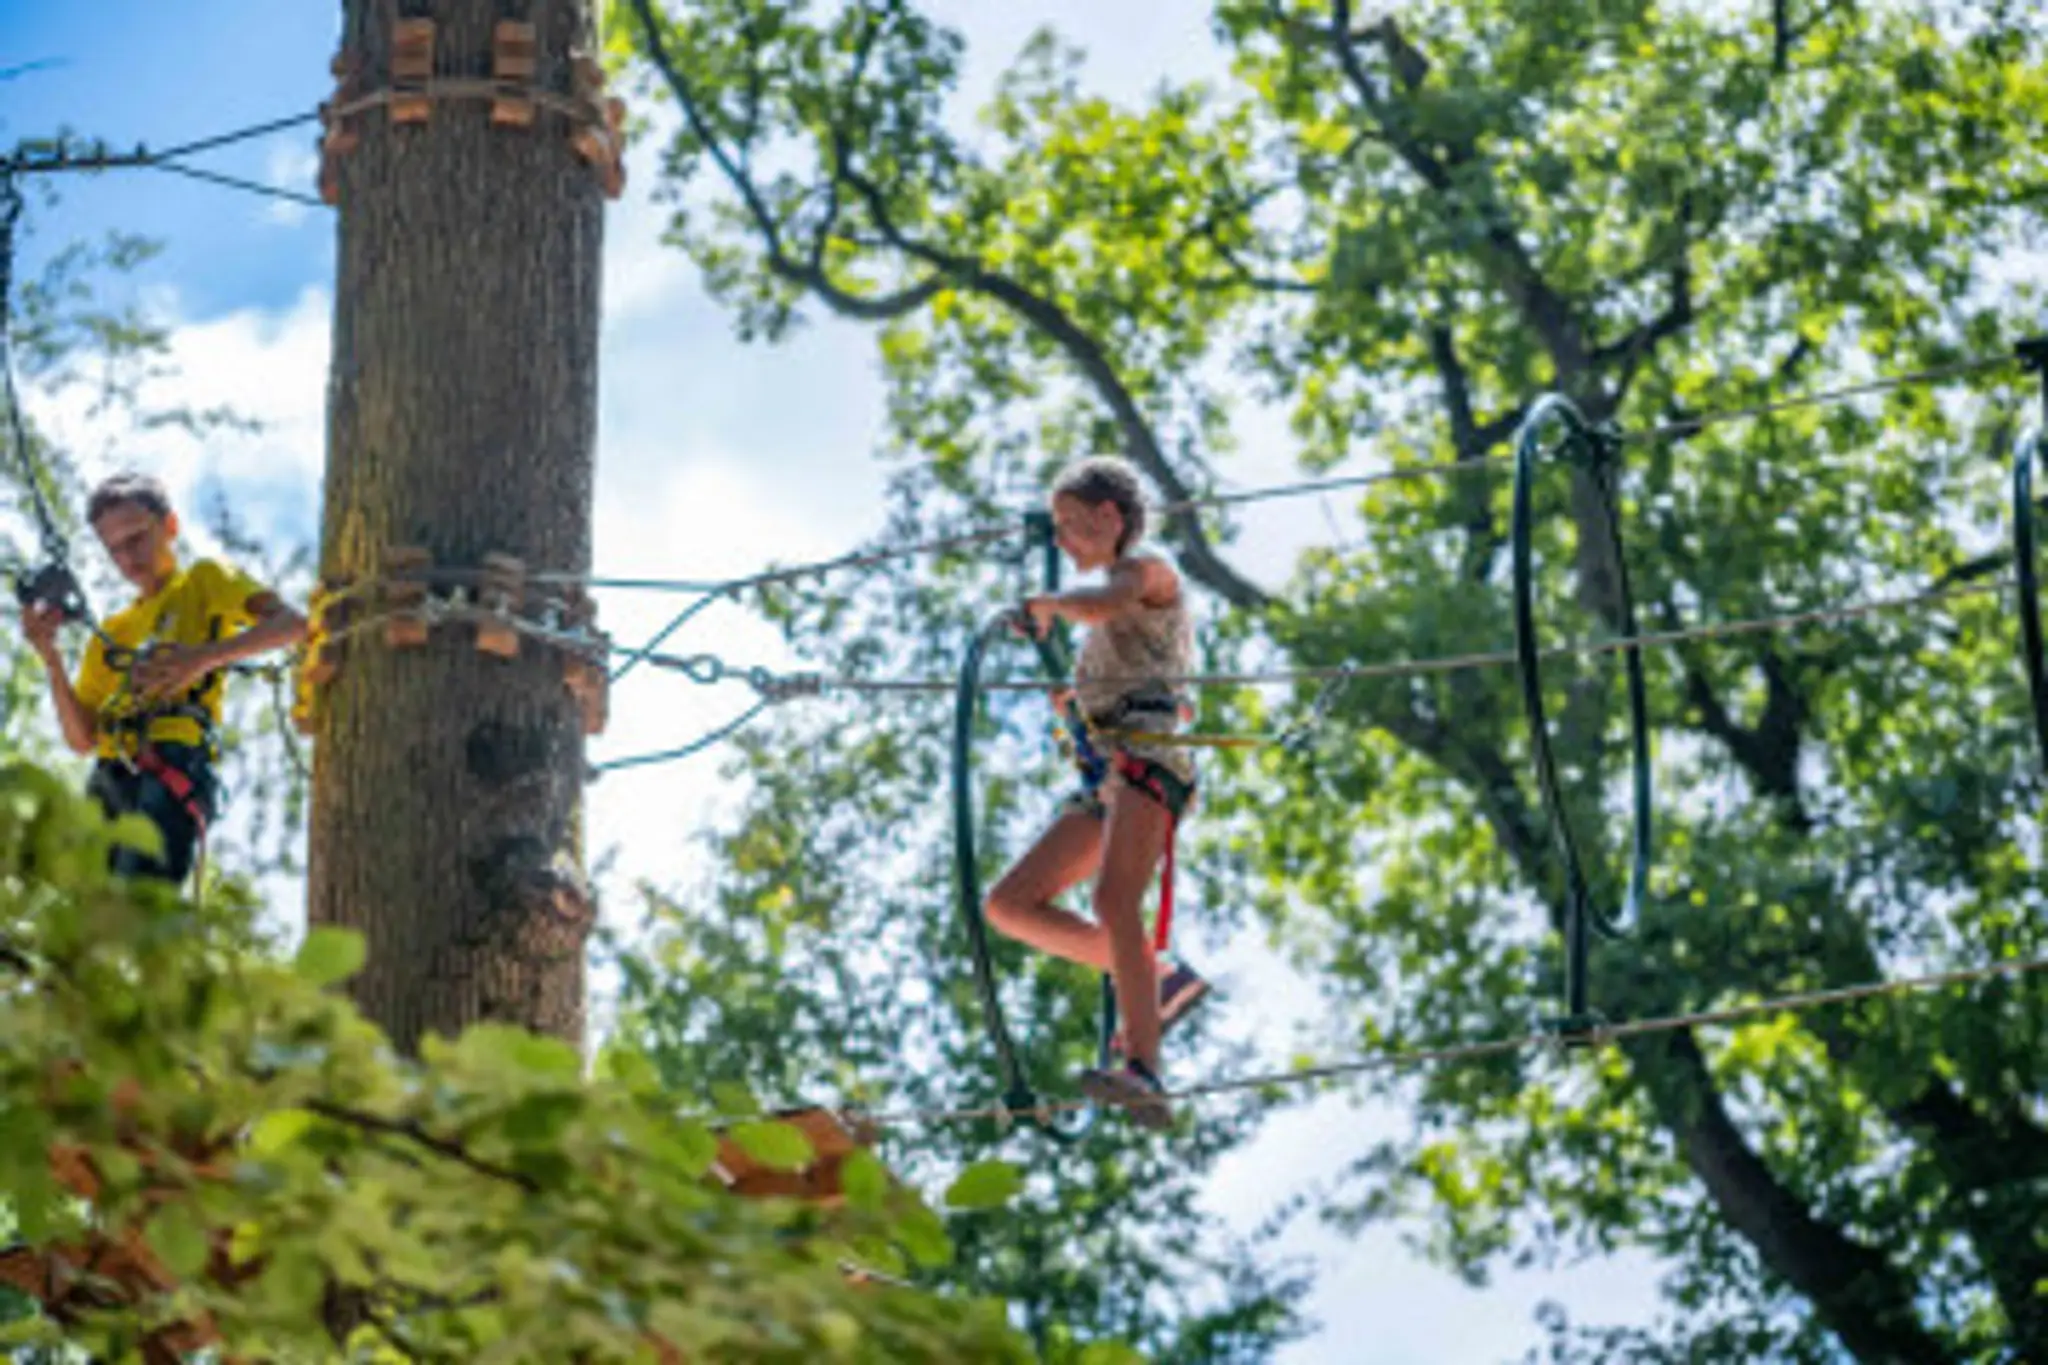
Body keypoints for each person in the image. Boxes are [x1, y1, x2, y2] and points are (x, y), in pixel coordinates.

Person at [985, 456, 1211, 1129]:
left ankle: (1145, 1064)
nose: (1061, 541)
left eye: (1070, 525)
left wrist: (1051, 605)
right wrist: (1073, 702)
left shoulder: (1147, 571)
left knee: (1114, 898)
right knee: (1008, 903)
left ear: (1111, 517)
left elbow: (1107, 603)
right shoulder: (1101, 614)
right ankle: (1158, 978)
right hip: (1105, 776)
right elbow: (1103, 646)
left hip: (1148, 762)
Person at [19, 472, 306, 886]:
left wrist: (201, 659)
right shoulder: (112, 634)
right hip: (110, 775)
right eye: (114, 549)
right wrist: (51, 657)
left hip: (171, 761)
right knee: (79, 923)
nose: (127, 559)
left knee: (133, 911)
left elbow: (291, 625)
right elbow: (82, 739)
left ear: (169, 526)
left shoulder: (204, 581)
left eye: (136, 539)